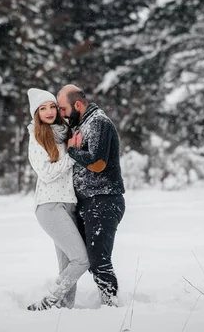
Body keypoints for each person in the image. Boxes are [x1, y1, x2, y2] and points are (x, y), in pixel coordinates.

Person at [57, 84, 126, 307]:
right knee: (83, 259)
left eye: (63, 108)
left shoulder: (98, 122)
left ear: (77, 104)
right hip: (88, 202)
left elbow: (97, 164)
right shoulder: (81, 125)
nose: (62, 114)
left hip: (103, 200)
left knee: (99, 261)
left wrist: (72, 150)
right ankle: (62, 300)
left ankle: (111, 305)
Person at [25, 88, 89, 311]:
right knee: (81, 260)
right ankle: (49, 301)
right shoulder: (37, 137)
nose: (50, 111)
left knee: (68, 265)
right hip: (49, 206)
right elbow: (47, 173)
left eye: (52, 106)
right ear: (37, 113)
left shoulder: (65, 133)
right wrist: (72, 154)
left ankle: (64, 311)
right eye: (43, 109)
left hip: (69, 205)